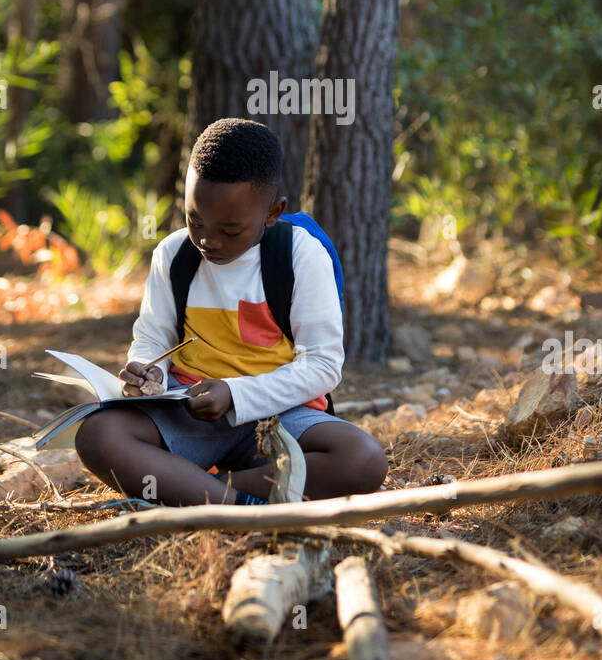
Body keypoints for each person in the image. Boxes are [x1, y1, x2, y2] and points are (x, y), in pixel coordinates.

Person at [75, 117, 389, 506]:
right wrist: (148, 369)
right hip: (188, 414)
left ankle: (200, 489)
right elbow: (154, 336)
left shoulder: (300, 257)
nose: (209, 240)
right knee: (97, 436)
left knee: (363, 460)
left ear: (273, 212)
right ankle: (239, 504)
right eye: (196, 220)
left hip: (277, 418)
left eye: (230, 229)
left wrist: (235, 394)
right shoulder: (173, 255)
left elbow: (323, 365)